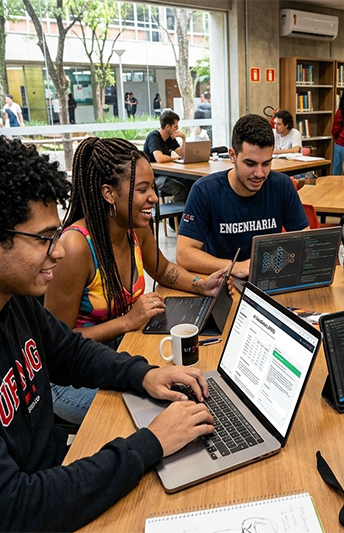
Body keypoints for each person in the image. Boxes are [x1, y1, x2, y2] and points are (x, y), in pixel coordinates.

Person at [0, 135, 214, 530]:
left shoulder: (9, 297)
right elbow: (7, 512)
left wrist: (143, 373)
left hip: (51, 475)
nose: (57, 251)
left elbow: (69, 351)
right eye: (44, 238)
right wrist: (151, 443)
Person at [44, 137, 228, 424]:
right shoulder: (75, 248)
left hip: (116, 356)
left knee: (180, 390)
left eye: (152, 187)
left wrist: (200, 285)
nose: (153, 198)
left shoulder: (132, 227)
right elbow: (56, 344)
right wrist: (127, 322)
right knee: (156, 412)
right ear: (109, 193)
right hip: (68, 379)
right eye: (142, 189)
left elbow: (164, 269)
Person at [177, 114, 309, 279]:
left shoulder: (282, 185)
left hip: (270, 281)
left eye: (266, 163)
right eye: (250, 164)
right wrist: (234, 267)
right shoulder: (205, 191)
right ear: (232, 156)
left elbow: (306, 241)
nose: (259, 173)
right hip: (224, 283)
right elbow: (184, 254)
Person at [143, 110, 190, 204]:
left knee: (190, 183)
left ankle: (185, 216)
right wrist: (174, 158)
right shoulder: (154, 137)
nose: (177, 129)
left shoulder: (170, 138)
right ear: (168, 127)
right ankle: (173, 217)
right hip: (154, 177)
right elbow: (159, 158)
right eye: (176, 126)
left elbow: (181, 154)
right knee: (181, 189)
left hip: (167, 174)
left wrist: (184, 139)